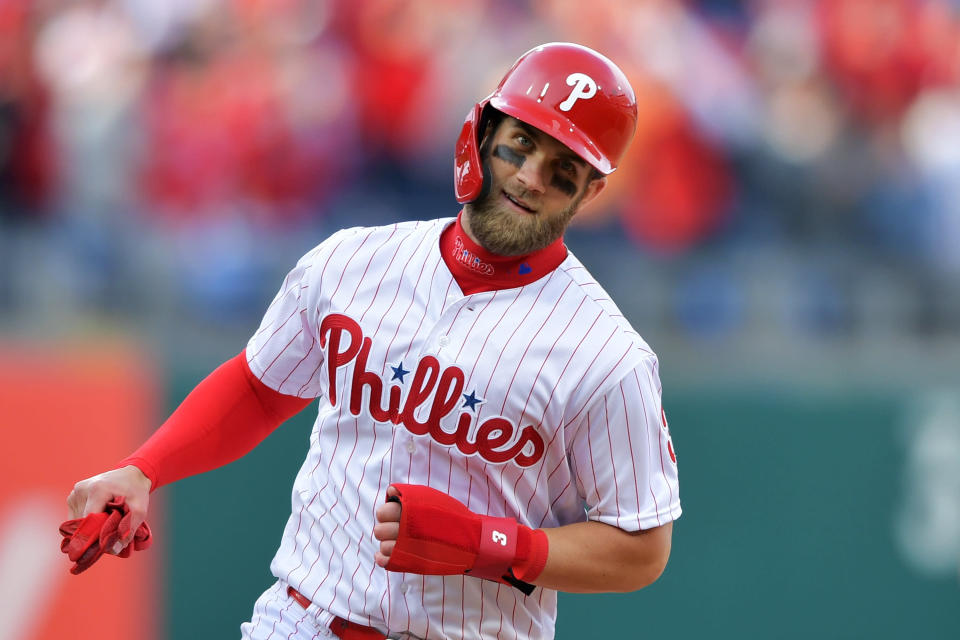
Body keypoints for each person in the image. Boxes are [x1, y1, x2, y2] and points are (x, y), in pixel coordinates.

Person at [64, 42, 681, 640]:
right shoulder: (353, 259)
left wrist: (487, 544)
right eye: (520, 145)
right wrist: (143, 470)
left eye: (562, 170)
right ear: (484, 133)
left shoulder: (607, 355)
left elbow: (641, 547)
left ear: (592, 191)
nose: (528, 177)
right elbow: (259, 388)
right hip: (302, 619)